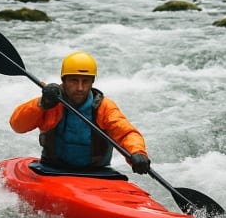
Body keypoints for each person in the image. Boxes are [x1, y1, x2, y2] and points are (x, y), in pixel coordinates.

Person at [9, 51, 151, 174]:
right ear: (63, 80)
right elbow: (17, 125)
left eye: (86, 81)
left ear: (92, 82)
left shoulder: (104, 107)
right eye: (74, 81)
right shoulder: (51, 102)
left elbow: (126, 133)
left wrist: (137, 153)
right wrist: (41, 104)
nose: (80, 88)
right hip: (51, 170)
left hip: (97, 173)